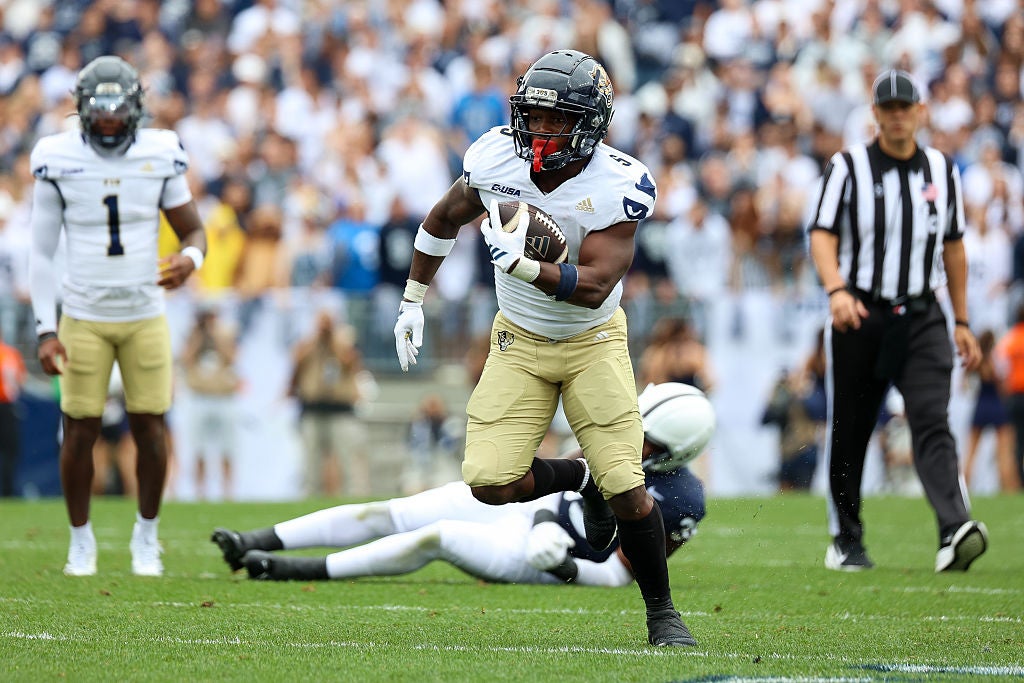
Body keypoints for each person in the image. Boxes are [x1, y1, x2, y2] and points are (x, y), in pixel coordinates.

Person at [391, 50, 694, 646]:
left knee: (628, 488)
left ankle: (662, 613)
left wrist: (527, 267)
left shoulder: (618, 181)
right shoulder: (495, 156)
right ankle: (580, 480)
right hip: (519, 339)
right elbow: (443, 217)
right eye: (532, 116)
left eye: (556, 121)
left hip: (592, 340)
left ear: (590, 124)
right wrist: (412, 298)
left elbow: (597, 286)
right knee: (488, 481)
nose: (539, 131)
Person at [211, 383, 714, 592]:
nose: (629, 439)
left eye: (644, 439)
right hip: (529, 514)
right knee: (390, 511)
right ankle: (256, 541)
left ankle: (288, 570)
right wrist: (540, 517)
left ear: (676, 452)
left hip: (544, 556)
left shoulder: (684, 502)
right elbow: (563, 483)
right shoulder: (614, 433)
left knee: (440, 537)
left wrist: (561, 564)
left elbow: (620, 577)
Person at [28, 56, 207, 576]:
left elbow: (193, 229)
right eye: (99, 111)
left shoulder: (160, 151)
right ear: (82, 110)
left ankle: (146, 537)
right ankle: (80, 540)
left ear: (136, 109)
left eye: (117, 110)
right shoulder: (56, 157)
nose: (108, 121)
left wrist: (190, 260)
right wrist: (45, 329)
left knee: (150, 429)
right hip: (82, 314)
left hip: (144, 312)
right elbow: (41, 252)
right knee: (78, 430)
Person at [807, 69, 986, 574]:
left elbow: (953, 247)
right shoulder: (848, 166)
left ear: (921, 111)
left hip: (923, 313)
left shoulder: (942, 170)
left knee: (932, 417)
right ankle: (846, 538)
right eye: (889, 108)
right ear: (876, 114)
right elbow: (822, 233)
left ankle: (954, 530)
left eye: (906, 107)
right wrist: (836, 290)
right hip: (861, 312)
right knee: (853, 429)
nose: (899, 116)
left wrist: (963, 319)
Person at [289, 309, 372, 497]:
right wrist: (317, 339)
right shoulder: (308, 345)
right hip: (313, 410)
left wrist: (332, 339)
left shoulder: (343, 345)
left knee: (349, 462)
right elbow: (296, 361)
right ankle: (309, 501)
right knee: (310, 464)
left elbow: (350, 362)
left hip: (340, 411)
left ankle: (356, 501)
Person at [180, 306, 241, 501]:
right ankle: (200, 491)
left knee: (227, 447)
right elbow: (185, 360)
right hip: (200, 397)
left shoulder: (226, 334)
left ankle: (228, 491)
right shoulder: (192, 336)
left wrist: (216, 335)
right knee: (198, 448)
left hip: (223, 397)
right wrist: (199, 336)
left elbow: (232, 358)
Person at [963, 330, 1018, 492]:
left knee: (971, 453)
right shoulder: (996, 361)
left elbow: (964, 385)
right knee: (1005, 453)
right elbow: (1004, 386)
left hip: (981, 405)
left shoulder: (976, 361)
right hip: (997, 406)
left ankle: (963, 488)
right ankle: (1010, 489)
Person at [0, 322, 27, 497]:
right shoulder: (10, 353)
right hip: (7, 406)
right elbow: (19, 381)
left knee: (9, 451)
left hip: (7, 406)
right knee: (9, 451)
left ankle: (8, 490)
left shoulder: (10, 353)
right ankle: (8, 491)